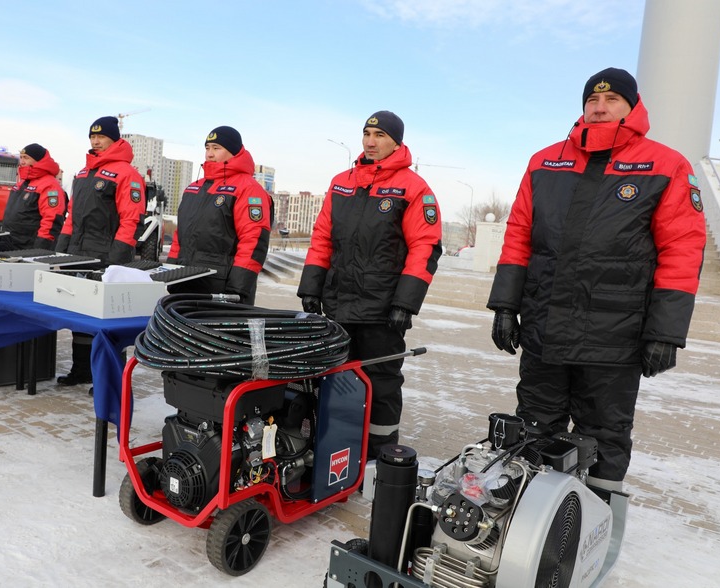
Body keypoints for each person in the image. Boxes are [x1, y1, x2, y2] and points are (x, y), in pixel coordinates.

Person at [486, 67, 706, 494]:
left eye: (612, 101)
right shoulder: (544, 161)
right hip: (545, 331)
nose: (600, 108)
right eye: (592, 101)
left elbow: (682, 251)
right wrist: (506, 306)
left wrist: (666, 332)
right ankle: (530, 523)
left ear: (632, 107)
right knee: (534, 426)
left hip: (614, 338)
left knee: (605, 433)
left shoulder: (667, 165)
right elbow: (518, 237)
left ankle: (600, 520)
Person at [297, 111, 443, 460]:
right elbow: (322, 238)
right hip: (338, 303)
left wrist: (405, 304)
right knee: (334, 377)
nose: (370, 141)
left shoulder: (413, 188)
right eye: (366, 133)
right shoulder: (341, 182)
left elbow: (425, 246)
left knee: (381, 382)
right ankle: (336, 445)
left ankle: (380, 452)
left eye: (379, 135)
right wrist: (311, 288)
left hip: (382, 309)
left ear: (397, 141)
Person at [55, 116, 146, 386]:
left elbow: (131, 219)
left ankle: (108, 382)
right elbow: (71, 216)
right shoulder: (83, 174)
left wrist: (117, 258)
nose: (95, 141)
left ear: (114, 139)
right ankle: (81, 370)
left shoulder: (126, 174)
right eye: (92, 136)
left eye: (101, 136)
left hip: (108, 255)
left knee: (108, 321)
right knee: (80, 314)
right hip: (78, 253)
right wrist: (61, 248)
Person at [166, 126, 272, 304]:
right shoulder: (194, 188)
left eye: (216, 148)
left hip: (221, 287)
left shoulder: (248, 188)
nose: (209, 154)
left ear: (234, 152)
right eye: (207, 148)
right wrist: (171, 271)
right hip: (184, 282)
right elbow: (179, 237)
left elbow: (253, 241)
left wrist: (238, 288)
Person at [0, 143, 66, 252]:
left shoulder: (49, 186)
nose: (22, 161)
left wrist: (41, 247)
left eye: (26, 158)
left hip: (28, 247)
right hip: (8, 243)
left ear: (39, 161)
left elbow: (51, 219)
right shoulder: (21, 184)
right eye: (21, 157)